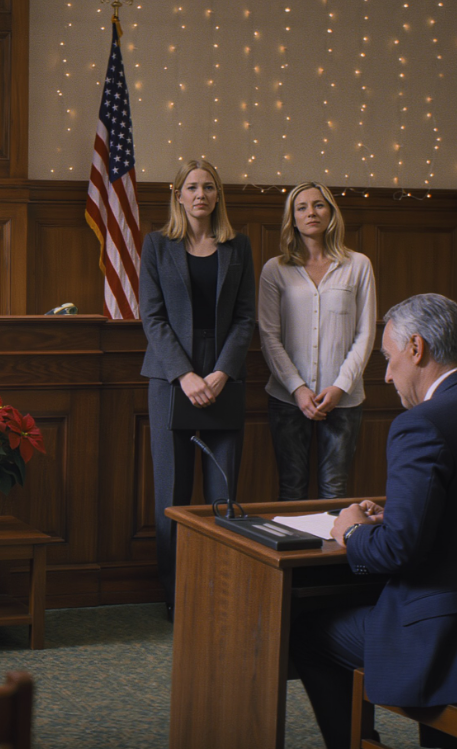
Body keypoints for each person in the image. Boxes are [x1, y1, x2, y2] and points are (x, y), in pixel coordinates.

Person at [290, 294, 457, 749]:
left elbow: (398, 551)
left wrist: (353, 530)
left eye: (387, 357)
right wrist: (398, 517)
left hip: (442, 637)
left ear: (416, 348)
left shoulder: (423, 424)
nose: (385, 375)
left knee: (306, 632)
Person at [140, 159, 255, 620]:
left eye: (208, 186)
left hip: (225, 375)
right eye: (192, 187)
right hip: (171, 378)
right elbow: (152, 317)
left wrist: (222, 371)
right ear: (178, 195)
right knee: (172, 493)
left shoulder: (238, 245)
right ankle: (176, 594)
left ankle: (219, 591)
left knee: (223, 494)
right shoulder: (157, 245)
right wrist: (184, 374)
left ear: (217, 195)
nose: (200, 194)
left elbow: (245, 317)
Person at [258, 182, 376, 499]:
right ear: (293, 218)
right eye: (302, 207)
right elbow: (268, 335)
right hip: (287, 397)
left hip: (344, 398)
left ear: (331, 213)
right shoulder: (275, 270)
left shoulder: (358, 265)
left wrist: (340, 386)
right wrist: (297, 388)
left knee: (335, 489)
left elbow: (366, 333)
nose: (311, 212)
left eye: (319, 205)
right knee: (291, 488)